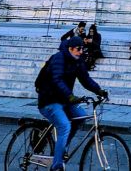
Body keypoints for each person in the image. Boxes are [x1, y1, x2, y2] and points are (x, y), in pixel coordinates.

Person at [35, 36, 108, 171]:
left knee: (81, 117)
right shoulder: (59, 58)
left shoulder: (78, 61)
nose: (81, 51)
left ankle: (63, 148)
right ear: (70, 49)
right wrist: (70, 96)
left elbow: (85, 79)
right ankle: (57, 166)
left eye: (82, 49)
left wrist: (99, 90)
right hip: (49, 100)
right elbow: (57, 80)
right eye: (78, 49)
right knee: (64, 125)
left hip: (64, 99)